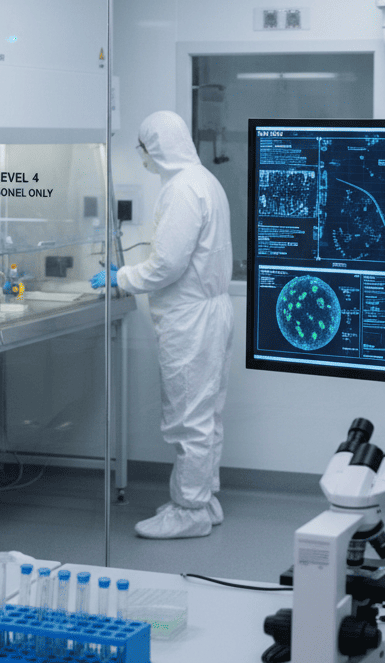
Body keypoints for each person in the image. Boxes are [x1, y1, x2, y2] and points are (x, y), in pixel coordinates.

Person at [91, 110, 233, 539]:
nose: (144, 158)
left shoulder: (182, 190)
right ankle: (204, 498)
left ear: (156, 148)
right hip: (210, 311)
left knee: (188, 417)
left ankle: (189, 510)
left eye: (143, 149)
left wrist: (121, 277)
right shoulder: (205, 181)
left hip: (190, 318)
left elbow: (167, 265)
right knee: (207, 413)